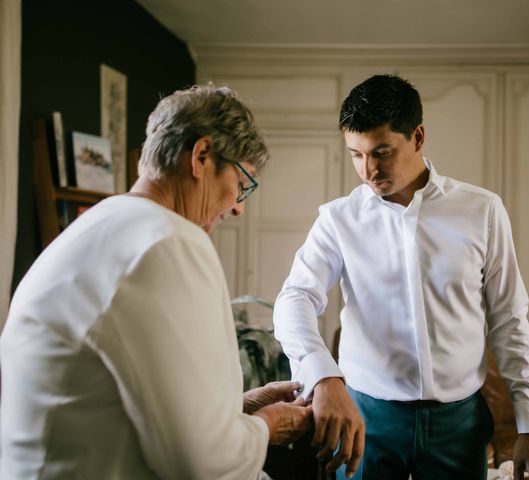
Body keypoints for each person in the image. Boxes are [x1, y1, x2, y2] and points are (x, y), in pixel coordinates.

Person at [1, 83, 312, 479]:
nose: (237, 207)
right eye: (241, 185)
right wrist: (269, 426)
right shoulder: (167, 242)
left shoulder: (100, 226)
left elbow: (125, 400)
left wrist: (241, 407)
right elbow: (201, 465)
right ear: (201, 156)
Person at [273, 74, 529, 480]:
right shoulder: (337, 220)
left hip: (460, 423)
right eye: (355, 154)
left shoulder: (483, 211)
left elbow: (509, 319)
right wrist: (324, 376)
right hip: (366, 418)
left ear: (417, 137)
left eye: (382, 151)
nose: (368, 169)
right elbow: (294, 297)